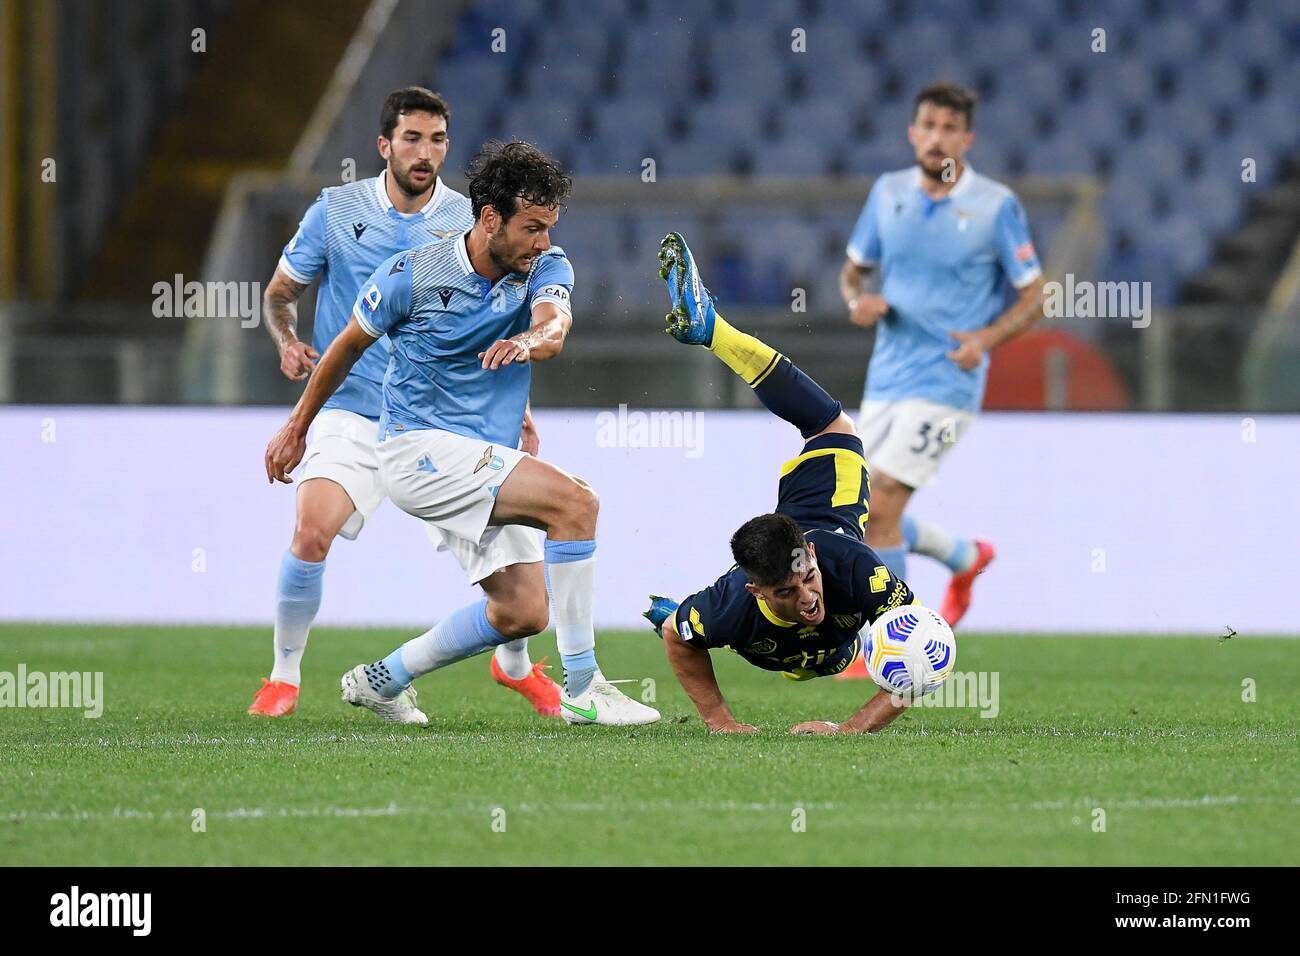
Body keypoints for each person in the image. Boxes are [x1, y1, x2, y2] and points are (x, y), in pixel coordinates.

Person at [265, 141, 659, 727]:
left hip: (484, 457)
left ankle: (384, 678)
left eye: (549, 227)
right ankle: (584, 686)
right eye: (532, 227)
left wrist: (528, 341)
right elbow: (346, 347)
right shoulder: (411, 275)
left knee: (523, 612)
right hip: (414, 451)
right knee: (577, 503)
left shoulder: (547, 267)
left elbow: (554, 327)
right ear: (490, 219)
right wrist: (298, 428)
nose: (543, 241)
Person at [249, 89, 559, 719]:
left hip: (445, 420)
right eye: (412, 139)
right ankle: (283, 677)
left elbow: (503, 310)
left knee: (514, 568)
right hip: (355, 409)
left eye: (438, 139)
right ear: (384, 146)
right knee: (311, 530)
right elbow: (280, 294)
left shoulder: (476, 219)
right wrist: (287, 343)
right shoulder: (335, 212)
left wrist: (513, 403)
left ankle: (516, 664)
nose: (426, 152)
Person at [644, 233, 929, 735]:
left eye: (807, 577)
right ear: (756, 590)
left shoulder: (852, 566)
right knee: (688, 627)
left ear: (812, 559)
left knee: (834, 430)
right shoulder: (735, 601)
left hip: (828, 624)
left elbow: (929, 650)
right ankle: (693, 616)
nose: (808, 597)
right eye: (787, 590)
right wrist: (721, 722)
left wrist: (849, 730)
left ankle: (713, 329)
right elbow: (676, 640)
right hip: (778, 645)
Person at [838, 81, 1044, 637]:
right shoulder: (888, 193)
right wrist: (859, 301)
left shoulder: (995, 206)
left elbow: (1035, 293)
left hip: (948, 381)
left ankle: (889, 642)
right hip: (886, 377)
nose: (937, 138)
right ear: (912, 133)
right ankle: (962, 555)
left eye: (949, 128)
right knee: (861, 514)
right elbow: (853, 270)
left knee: (879, 504)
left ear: (967, 139)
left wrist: (985, 339)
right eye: (928, 126)